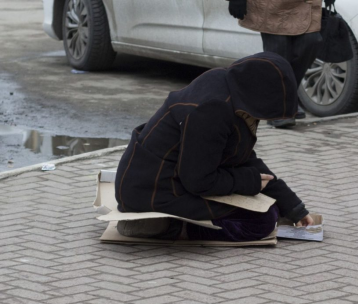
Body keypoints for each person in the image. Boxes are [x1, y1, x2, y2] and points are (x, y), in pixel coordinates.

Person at [115, 52, 313, 242]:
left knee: (273, 207)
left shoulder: (231, 90)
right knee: (262, 220)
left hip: (169, 179)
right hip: (153, 190)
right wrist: (250, 182)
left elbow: (239, 157)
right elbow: (198, 181)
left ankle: (167, 223)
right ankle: (166, 226)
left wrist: (293, 207)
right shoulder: (213, 109)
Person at [227, 0, 333, 128]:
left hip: (305, 5)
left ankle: (287, 99)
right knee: (278, 53)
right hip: (271, 6)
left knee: (311, 41)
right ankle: (277, 111)